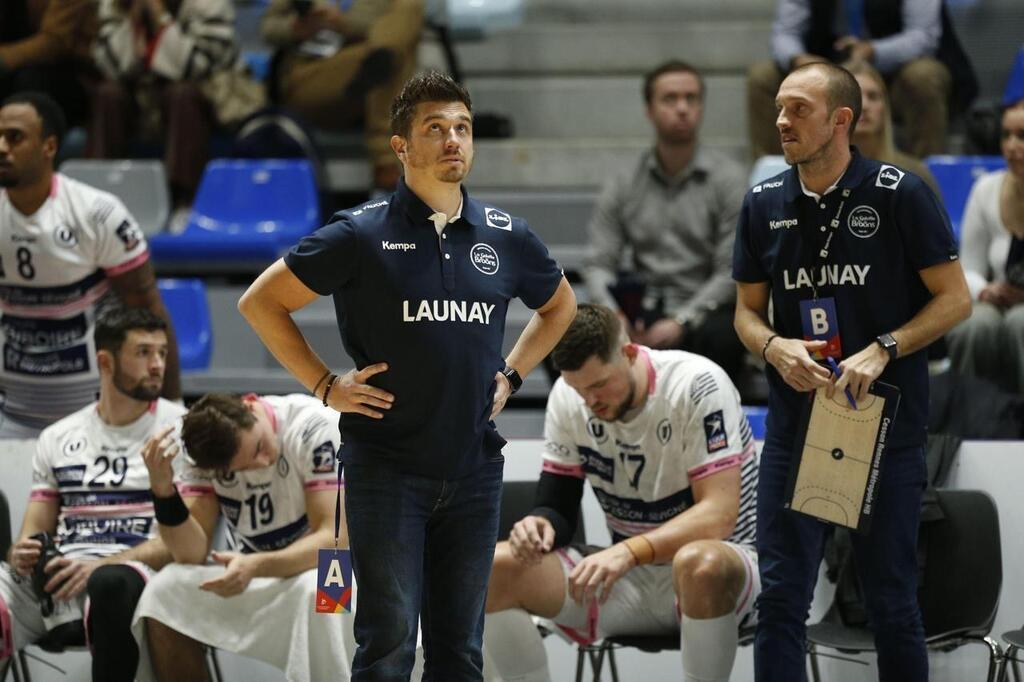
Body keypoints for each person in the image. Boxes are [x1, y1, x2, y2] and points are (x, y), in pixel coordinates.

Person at [237, 71, 576, 680]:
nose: (454, 141)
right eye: (435, 129)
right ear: (401, 146)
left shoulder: (507, 236)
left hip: (474, 469)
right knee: (388, 645)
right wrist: (324, 387)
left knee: (460, 651)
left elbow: (561, 308)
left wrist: (513, 373)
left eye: (463, 129)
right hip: (386, 471)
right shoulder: (360, 233)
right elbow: (261, 302)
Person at [732, 62, 971, 680]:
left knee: (891, 600)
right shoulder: (762, 203)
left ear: (842, 119)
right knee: (781, 597)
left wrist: (886, 345)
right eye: (780, 107)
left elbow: (956, 299)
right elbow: (745, 314)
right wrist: (773, 346)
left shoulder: (901, 192)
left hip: (883, 425)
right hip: (796, 426)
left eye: (798, 110)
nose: (782, 120)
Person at [482, 303, 759, 682]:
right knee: (494, 566)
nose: (590, 402)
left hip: (724, 575)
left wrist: (628, 552)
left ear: (630, 354)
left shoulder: (697, 383)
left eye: (598, 385)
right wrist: (540, 523)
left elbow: (719, 516)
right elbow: (558, 504)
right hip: (627, 576)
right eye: (579, 390)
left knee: (699, 562)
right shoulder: (570, 395)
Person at [0, 305, 183, 681]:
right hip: (62, 576)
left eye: (162, 353)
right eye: (143, 352)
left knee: (110, 583)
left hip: (135, 571)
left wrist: (96, 567)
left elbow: (183, 543)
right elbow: (33, 530)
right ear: (106, 361)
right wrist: (21, 553)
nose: (157, 365)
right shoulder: (59, 436)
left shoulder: (180, 429)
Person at [133, 391, 349, 682]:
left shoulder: (315, 426)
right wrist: (163, 491)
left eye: (259, 447)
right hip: (255, 571)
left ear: (249, 405)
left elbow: (335, 539)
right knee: (164, 590)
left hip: (331, 566)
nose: (262, 462)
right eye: (244, 467)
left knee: (324, 585)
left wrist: (257, 565)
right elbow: (190, 555)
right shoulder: (197, 453)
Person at [0, 91, 180, 439]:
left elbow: (148, 312)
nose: (2, 147)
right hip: (11, 414)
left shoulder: (97, 213)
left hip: (94, 413)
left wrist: (172, 405)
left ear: (49, 146)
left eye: (15, 137)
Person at [583, 60, 749, 386]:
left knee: (727, 333)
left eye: (692, 98)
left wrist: (681, 320)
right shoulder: (623, 181)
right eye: (670, 99)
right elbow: (598, 263)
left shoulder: (729, 180)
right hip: (638, 313)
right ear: (649, 109)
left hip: (702, 314)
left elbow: (730, 272)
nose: (683, 108)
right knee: (567, 328)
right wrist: (615, 314)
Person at [89, 0, 264, 223]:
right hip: (143, 104)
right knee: (107, 94)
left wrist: (161, 20)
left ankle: (185, 200)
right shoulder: (115, 5)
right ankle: (98, 197)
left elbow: (195, 66)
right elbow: (108, 66)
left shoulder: (211, 5)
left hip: (207, 103)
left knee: (181, 94)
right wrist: (132, 24)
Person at [747, 0, 977, 160]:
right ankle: (775, 184)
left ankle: (926, 178)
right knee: (763, 77)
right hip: (826, 69)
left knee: (924, 75)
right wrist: (798, 59)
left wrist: (873, 51)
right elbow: (785, 33)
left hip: (894, 74)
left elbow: (923, 36)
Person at [261, 0, 424, 193]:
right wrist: (296, 28)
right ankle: (384, 159)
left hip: (363, 66)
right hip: (311, 74)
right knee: (395, 58)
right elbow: (268, 27)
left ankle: (383, 58)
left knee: (407, 11)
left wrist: (343, 24)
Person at [946, 98, 1024, 393]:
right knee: (974, 325)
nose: (1011, 146)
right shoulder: (985, 188)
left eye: (1022, 136)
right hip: (997, 298)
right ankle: (973, 423)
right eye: (1006, 135)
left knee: (1022, 322)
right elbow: (967, 268)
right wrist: (985, 290)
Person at [845, 59, 940, 196]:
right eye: (853, 97)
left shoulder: (914, 175)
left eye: (873, 97)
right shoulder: (814, 177)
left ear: (884, 108)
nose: (864, 106)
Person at [0, 0, 99, 129]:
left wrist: (4, 58)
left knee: (29, 79)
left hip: (72, 77)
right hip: (20, 68)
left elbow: (53, 44)